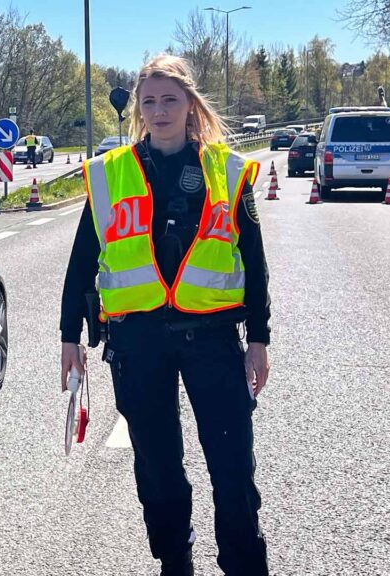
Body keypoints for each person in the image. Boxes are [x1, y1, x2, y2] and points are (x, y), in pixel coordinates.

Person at [60, 54, 272, 576]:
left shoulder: (227, 171)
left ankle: (244, 564)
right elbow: (83, 260)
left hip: (214, 338)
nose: (159, 111)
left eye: (169, 100)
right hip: (139, 342)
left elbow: (255, 260)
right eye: (148, 101)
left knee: (232, 468)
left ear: (190, 105)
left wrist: (259, 338)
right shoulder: (111, 175)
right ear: (138, 109)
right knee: (157, 470)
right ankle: (175, 559)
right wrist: (71, 337)